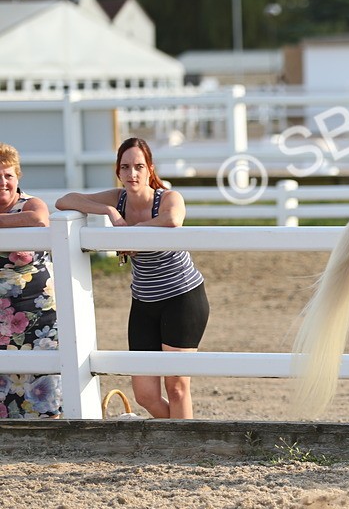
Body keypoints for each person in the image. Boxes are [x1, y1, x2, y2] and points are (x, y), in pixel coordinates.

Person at [56, 138, 209, 419]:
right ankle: (181, 436)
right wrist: (110, 212)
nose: (132, 174)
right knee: (145, 395)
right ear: (118, 171)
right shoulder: (119, 199)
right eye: (125, 167)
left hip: (182, 298)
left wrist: (133, 233)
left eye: (139, 166)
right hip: (143, 302)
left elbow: (173, 220)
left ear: (150, 169)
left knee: (176, 388)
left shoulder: (168, 197)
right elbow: (64, 201)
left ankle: (184, 448)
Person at [0, 144, 62, 419]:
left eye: (8, 175)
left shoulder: (30, 204)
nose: (3, 182)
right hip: (3, 314)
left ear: (17, 177)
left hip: (38, 313)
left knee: (43, 378)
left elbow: (38, 220)